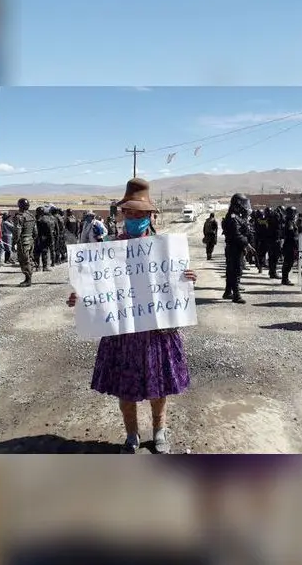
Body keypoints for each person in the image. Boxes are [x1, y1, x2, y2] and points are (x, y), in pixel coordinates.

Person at [65, 178, 198, 453]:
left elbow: (172, 287)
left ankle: (159, 431)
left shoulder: (167, 249)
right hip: (122, 332)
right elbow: (97, 286)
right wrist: (81, 298)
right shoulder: (107, 249)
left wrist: (186, 278)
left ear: (151, 216)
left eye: (141, 214)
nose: (135, 218)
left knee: (159, 387)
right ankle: (131, 435)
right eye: (130, 213)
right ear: (122, 214)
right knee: (125, 389)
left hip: (157, 331)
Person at [222, 194, 254, 304]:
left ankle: (227, 292)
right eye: (244, 204)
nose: (246, 206)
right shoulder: (233, 218)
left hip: (236, 248)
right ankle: (236, 295)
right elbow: (236, 235)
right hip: (234, 248)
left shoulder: (236, 217)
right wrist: (247, 244)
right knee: (235, 271)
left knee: (231, 271)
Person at [13, 198, 37, 287]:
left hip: (23, 242)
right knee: (29, 259)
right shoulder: (31, 216)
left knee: (24, 260)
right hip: (30, 240)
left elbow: (17, 232)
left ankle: (28, 280)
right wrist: (32, 239)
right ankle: (29, 278)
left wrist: (14, 242)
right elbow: (35, 232)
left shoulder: (19, 217)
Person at [280, 206, 300, 286]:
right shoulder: (289, 222)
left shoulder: (289, 221)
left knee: (289, 262)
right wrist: (296, 245)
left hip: (289, 244)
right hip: (289, 245)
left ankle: (285, 279)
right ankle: (285, 279)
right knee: (288, 263)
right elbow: (291, 234)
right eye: (294, 213)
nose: (295, 215)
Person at [34, 207, 56, 271]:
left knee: (37, 253)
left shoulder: (34, 219)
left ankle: (37, 267)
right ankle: (44, 267)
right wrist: (51, 240)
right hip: (43, 239)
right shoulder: (45, 220)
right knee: (44, 253)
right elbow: (49, 231)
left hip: (36, 239)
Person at [265, 206, 283, 279]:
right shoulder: (275, 217)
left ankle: (272, 272)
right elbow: (279, 224)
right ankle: (273, 272)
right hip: (274, 240)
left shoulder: (271, 217)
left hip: (271, 240)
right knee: (274, 257)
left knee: (272, 257)